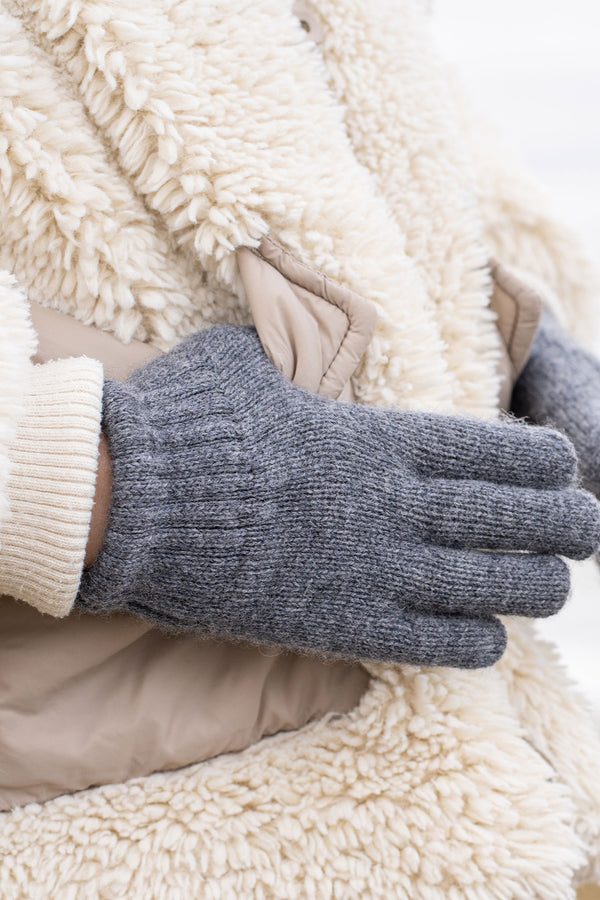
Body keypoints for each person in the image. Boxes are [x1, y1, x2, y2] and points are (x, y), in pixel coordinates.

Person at [1, 0, 600, 896]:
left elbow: (386, 113)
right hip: (147, 827)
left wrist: (515, 327)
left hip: (501, 785)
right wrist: (126, 483)